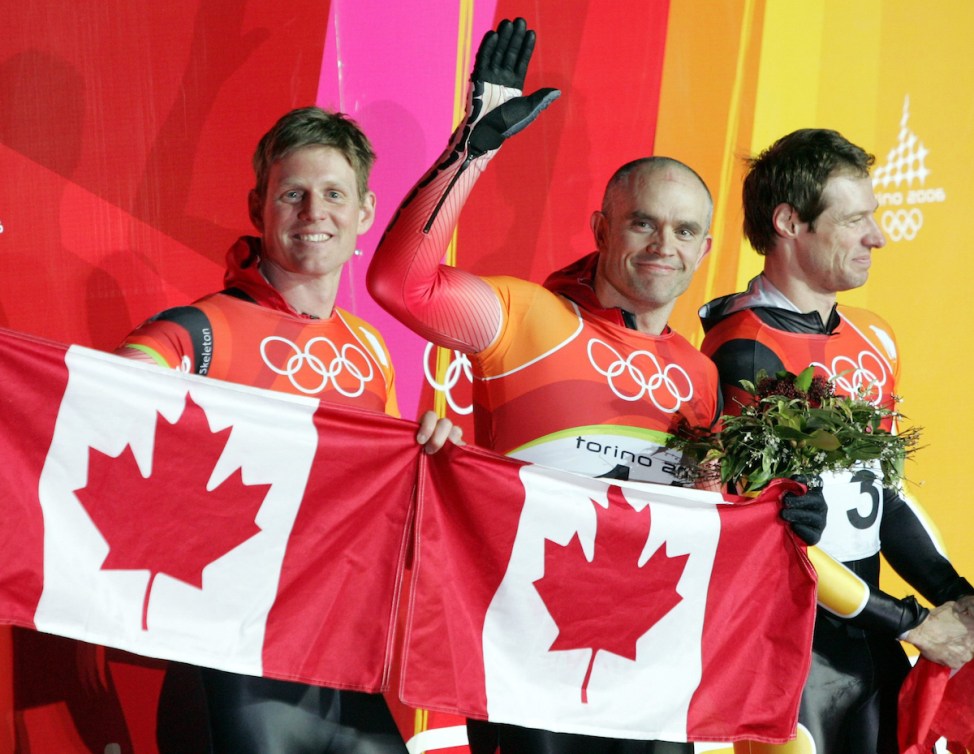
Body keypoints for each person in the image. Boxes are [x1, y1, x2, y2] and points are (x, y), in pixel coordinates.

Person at [367, 18, 825, 754]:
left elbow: (704, 514)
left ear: (706, 248)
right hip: (526, 655)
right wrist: (472, 147)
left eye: (682, 231)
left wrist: (784, 518)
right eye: (642, 223)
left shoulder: (703, 373)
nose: (661, 247)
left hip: (650, 666)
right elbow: (400, 283)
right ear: (600, 227)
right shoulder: (529, 318)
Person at [116, 106, 460, 754]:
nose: (313, 212)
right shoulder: (204, 329)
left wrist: (432, 457)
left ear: (364, 213)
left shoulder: (370, 351)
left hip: (343, 660)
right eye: (292, 194)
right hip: (234, 657)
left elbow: (383, 507)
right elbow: (105, 398)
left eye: (333, 194)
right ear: (259, 207)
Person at [698, 127, 974, 753]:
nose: (876, 237)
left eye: (872, 217)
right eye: (855, 221)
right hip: (790, 655)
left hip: (871, 640)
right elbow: (770, 538)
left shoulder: (874, 338)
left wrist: (957, 599)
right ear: (790, 222)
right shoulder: (741, 350)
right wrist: (915, 623)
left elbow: (884, 503)